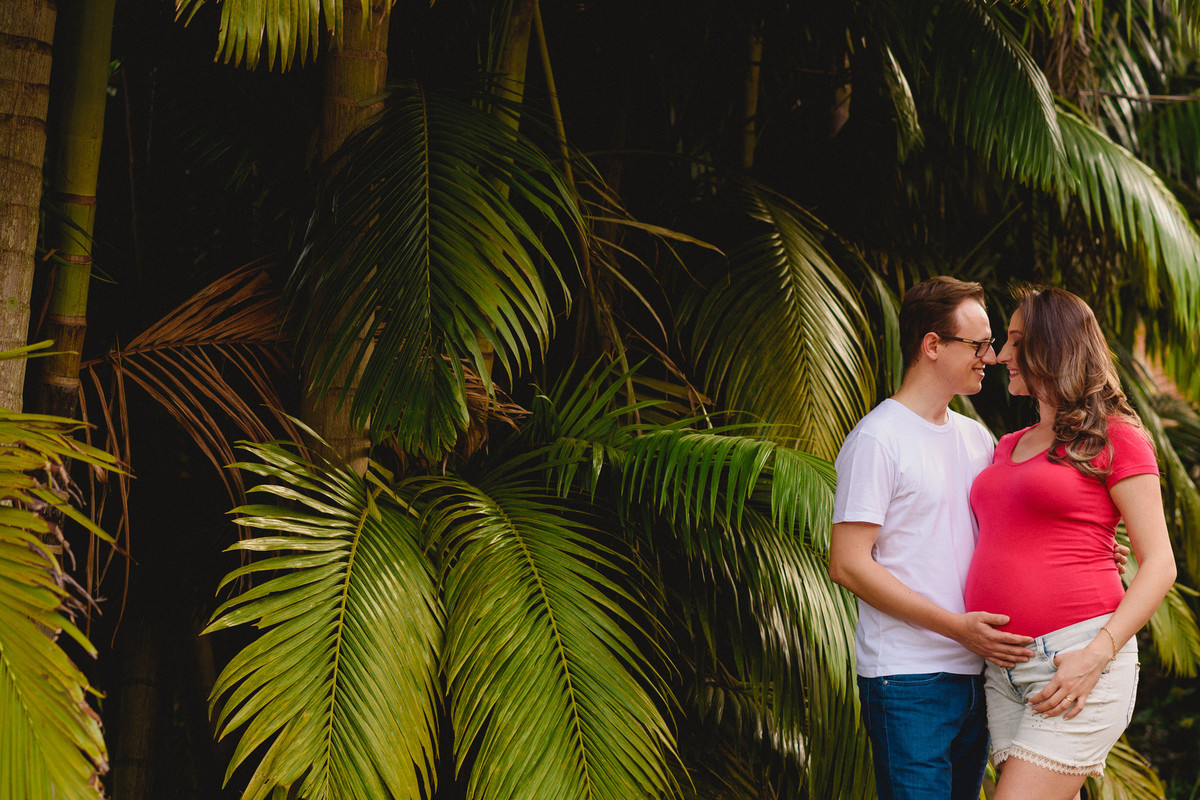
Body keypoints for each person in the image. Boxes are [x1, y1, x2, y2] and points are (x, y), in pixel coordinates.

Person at [828, 276, 1038, 800]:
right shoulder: (877, 440)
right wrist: (956, 629)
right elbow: (848, 565)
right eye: (978, 344)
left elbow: (1004, 535)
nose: (990, 358)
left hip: (979, 676)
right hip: (907, 680)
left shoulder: (975, 436)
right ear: (932, 345)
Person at [964, 287, 1176, 799]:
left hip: (1076, 661)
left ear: (1051, 347)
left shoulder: (1116, 436)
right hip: (1004, 673)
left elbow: (1160, 564)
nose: (1000, 356)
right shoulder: (1009, 444)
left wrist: (1096, 655)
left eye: (1015, 342)